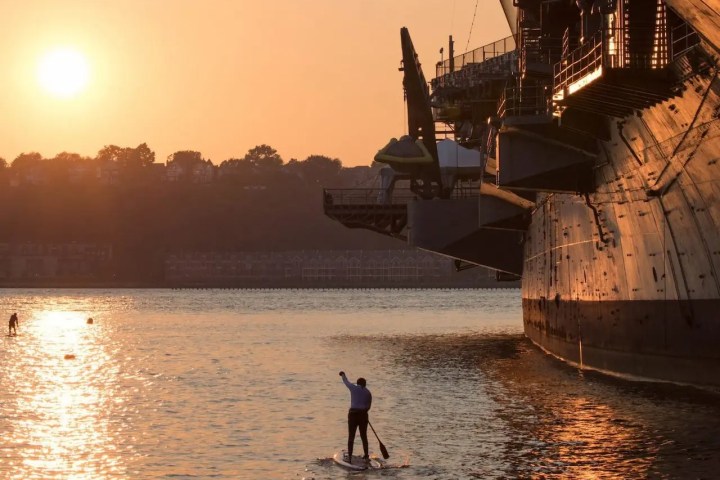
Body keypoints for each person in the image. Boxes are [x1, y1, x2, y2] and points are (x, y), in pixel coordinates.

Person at [339, 371, 372, 463]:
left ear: (357, 383)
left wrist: (343, 374)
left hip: (353, 415)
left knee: (351, 436)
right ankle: (366, 455)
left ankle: (349, 456)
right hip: (363, 415)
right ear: (365, 384)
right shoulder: (368, 393)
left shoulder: (353, 388)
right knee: (363, 436)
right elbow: (368, 407)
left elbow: (346, 381)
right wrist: (363, 413)